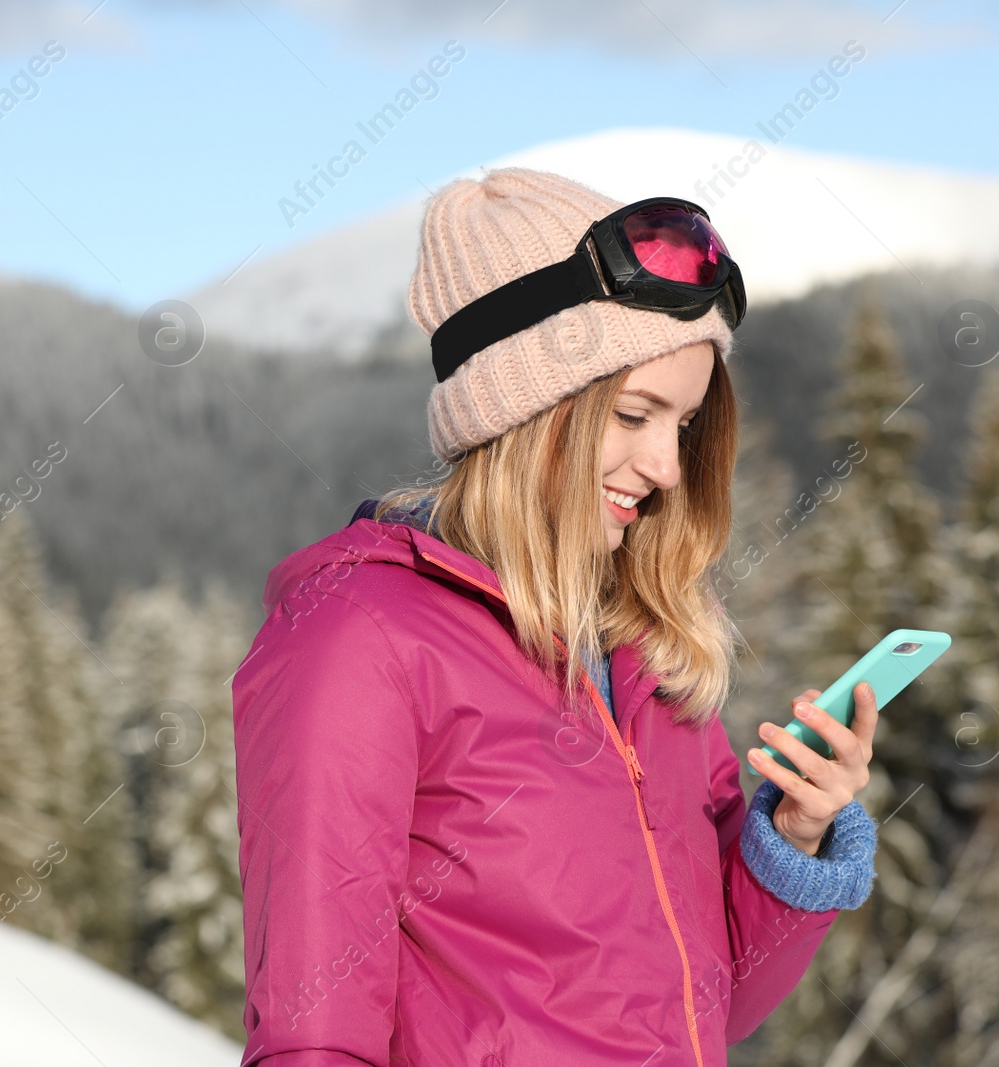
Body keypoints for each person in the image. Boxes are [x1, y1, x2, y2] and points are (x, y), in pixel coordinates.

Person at [231, 167, 878, 1067]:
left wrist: (794, 833)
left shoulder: (641, 649)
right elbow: (315, 1033)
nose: (665, 466)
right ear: (528, 411)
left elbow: (707, 1007)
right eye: (632, 414)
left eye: (683, 426)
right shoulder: (361, 636)